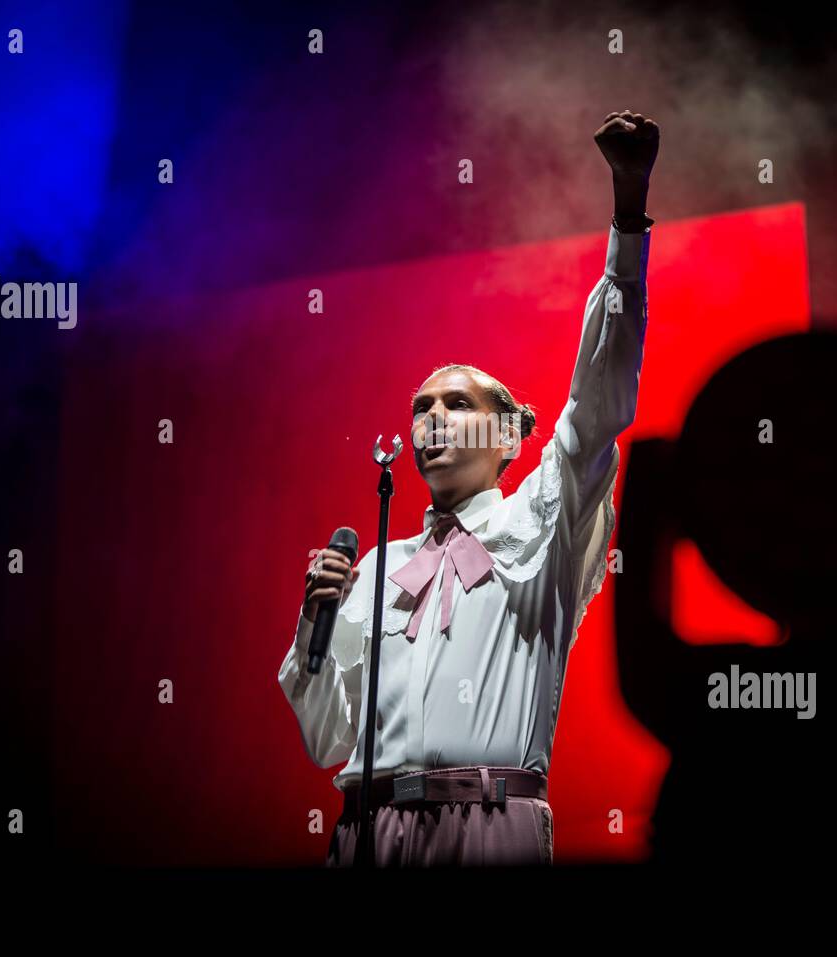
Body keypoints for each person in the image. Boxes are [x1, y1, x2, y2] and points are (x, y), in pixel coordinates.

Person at [277, 110, 659, 866]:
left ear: (510, 435)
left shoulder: (543, 523)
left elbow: (596, 406)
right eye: (421, 408)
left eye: (457, 404)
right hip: (367, 832)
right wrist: (312, 637)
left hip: (489, 826)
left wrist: (627, 210)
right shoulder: (381, 568)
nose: (434, 420)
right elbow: (326, 739)